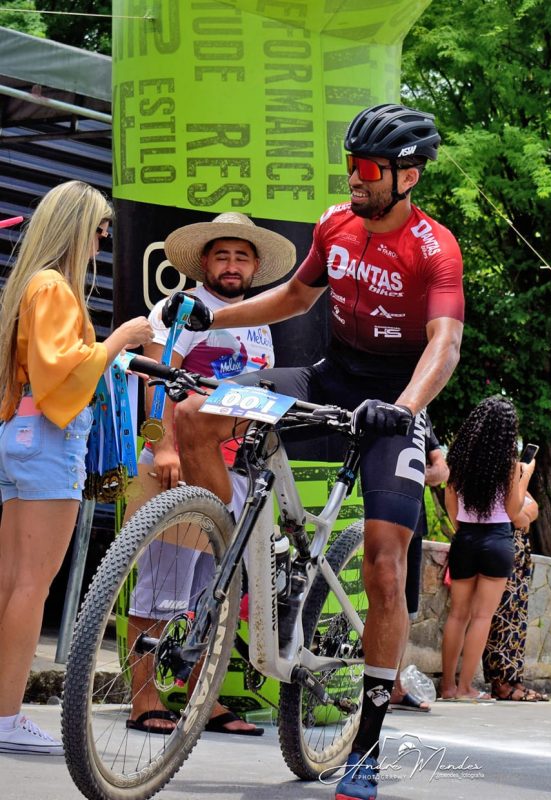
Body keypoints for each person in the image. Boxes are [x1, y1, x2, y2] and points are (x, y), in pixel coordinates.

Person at [160, 103, 463, 800]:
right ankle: (232, 557)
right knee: (196, 413)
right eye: (348, 164)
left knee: (386, 563)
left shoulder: (434, 247)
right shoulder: (336, 224)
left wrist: (407, 409)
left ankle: (365, 751)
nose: (352, 178)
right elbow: (295, 297)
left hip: (394, 404)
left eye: (364, 167)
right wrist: (212, 312)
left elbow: (444, 344)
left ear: (407, 175)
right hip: (327, 381)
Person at [124, 212, 295, 735]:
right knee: (160, 586)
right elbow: (159, 376)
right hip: (180, 467)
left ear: (255, 266)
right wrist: (167, 445)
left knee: (214, 589)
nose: (231, 265)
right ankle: (143, 698)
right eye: (222, 255)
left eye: (241, 256)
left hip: (239, 469)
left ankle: (205, 700)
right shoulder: (180, 308)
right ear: (204, 262)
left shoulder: (260, 319)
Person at [0, 180, 152, 755]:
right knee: (30, 587)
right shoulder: (54, 288)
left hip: (18, 434)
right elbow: (61, 369)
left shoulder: (29, 285)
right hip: (48, 439)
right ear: (77, 228)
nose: (101, 241)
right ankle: (9, 718)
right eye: (99, 230)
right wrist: (121, 340)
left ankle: (4, 712)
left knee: (12, 583)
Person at [439, 396, 536, 701]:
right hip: (496, 541)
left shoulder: (459, 459)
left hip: (465, 538)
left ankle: (447, 687)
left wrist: (464, 530)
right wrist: (525, 476)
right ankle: (467, 687)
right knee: (482, 617)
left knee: (457, 615)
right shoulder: (507, 465)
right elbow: (512, 510)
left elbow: (451, 505)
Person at [389, 418, 449, 713]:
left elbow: (441, 469)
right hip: (368, 513)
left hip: (411, 520)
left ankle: (394, 687)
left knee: (405, 608)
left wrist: (417, 472)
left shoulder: (421, 419)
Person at [482, 490, 550, 702]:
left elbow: (533, 507)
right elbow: (516, 514)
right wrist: (522, 515)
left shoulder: (516, 472)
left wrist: (523, 515)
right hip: (503, 540)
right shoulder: (497, 470)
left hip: (520, 547)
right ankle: (501, 682)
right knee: (502, 616)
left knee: (517, 617)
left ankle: (513, 679)